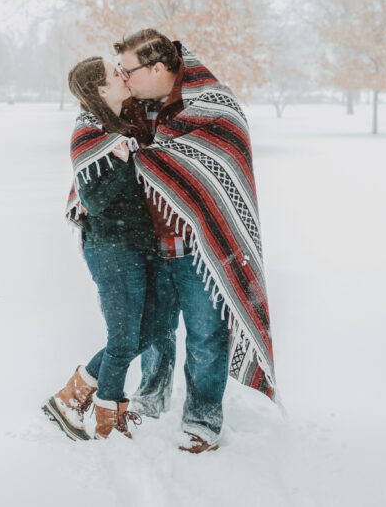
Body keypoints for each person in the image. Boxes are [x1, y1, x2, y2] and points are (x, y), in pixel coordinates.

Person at [112, 29, 278, 453]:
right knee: (154, 331)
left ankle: (202, 419)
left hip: (201, 248)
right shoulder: (128, 107)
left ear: (157, 68)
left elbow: (211, 165)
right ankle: (149, 403)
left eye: (128, 69)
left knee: (206, 335)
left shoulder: (212, 105)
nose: (122, 77)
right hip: (147, 245)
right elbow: (97, 140)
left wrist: (142, 156)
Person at [42, 56, 173, 441]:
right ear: (101, 90)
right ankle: (108, 421)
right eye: (115, 74)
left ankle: (71, 397)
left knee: (147, 332)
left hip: (136, 244)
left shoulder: (119, 127)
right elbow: (93, 200)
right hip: (111, 248)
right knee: (123, 340)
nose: (122, 74)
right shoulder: (91, 134)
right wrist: (120, 160)